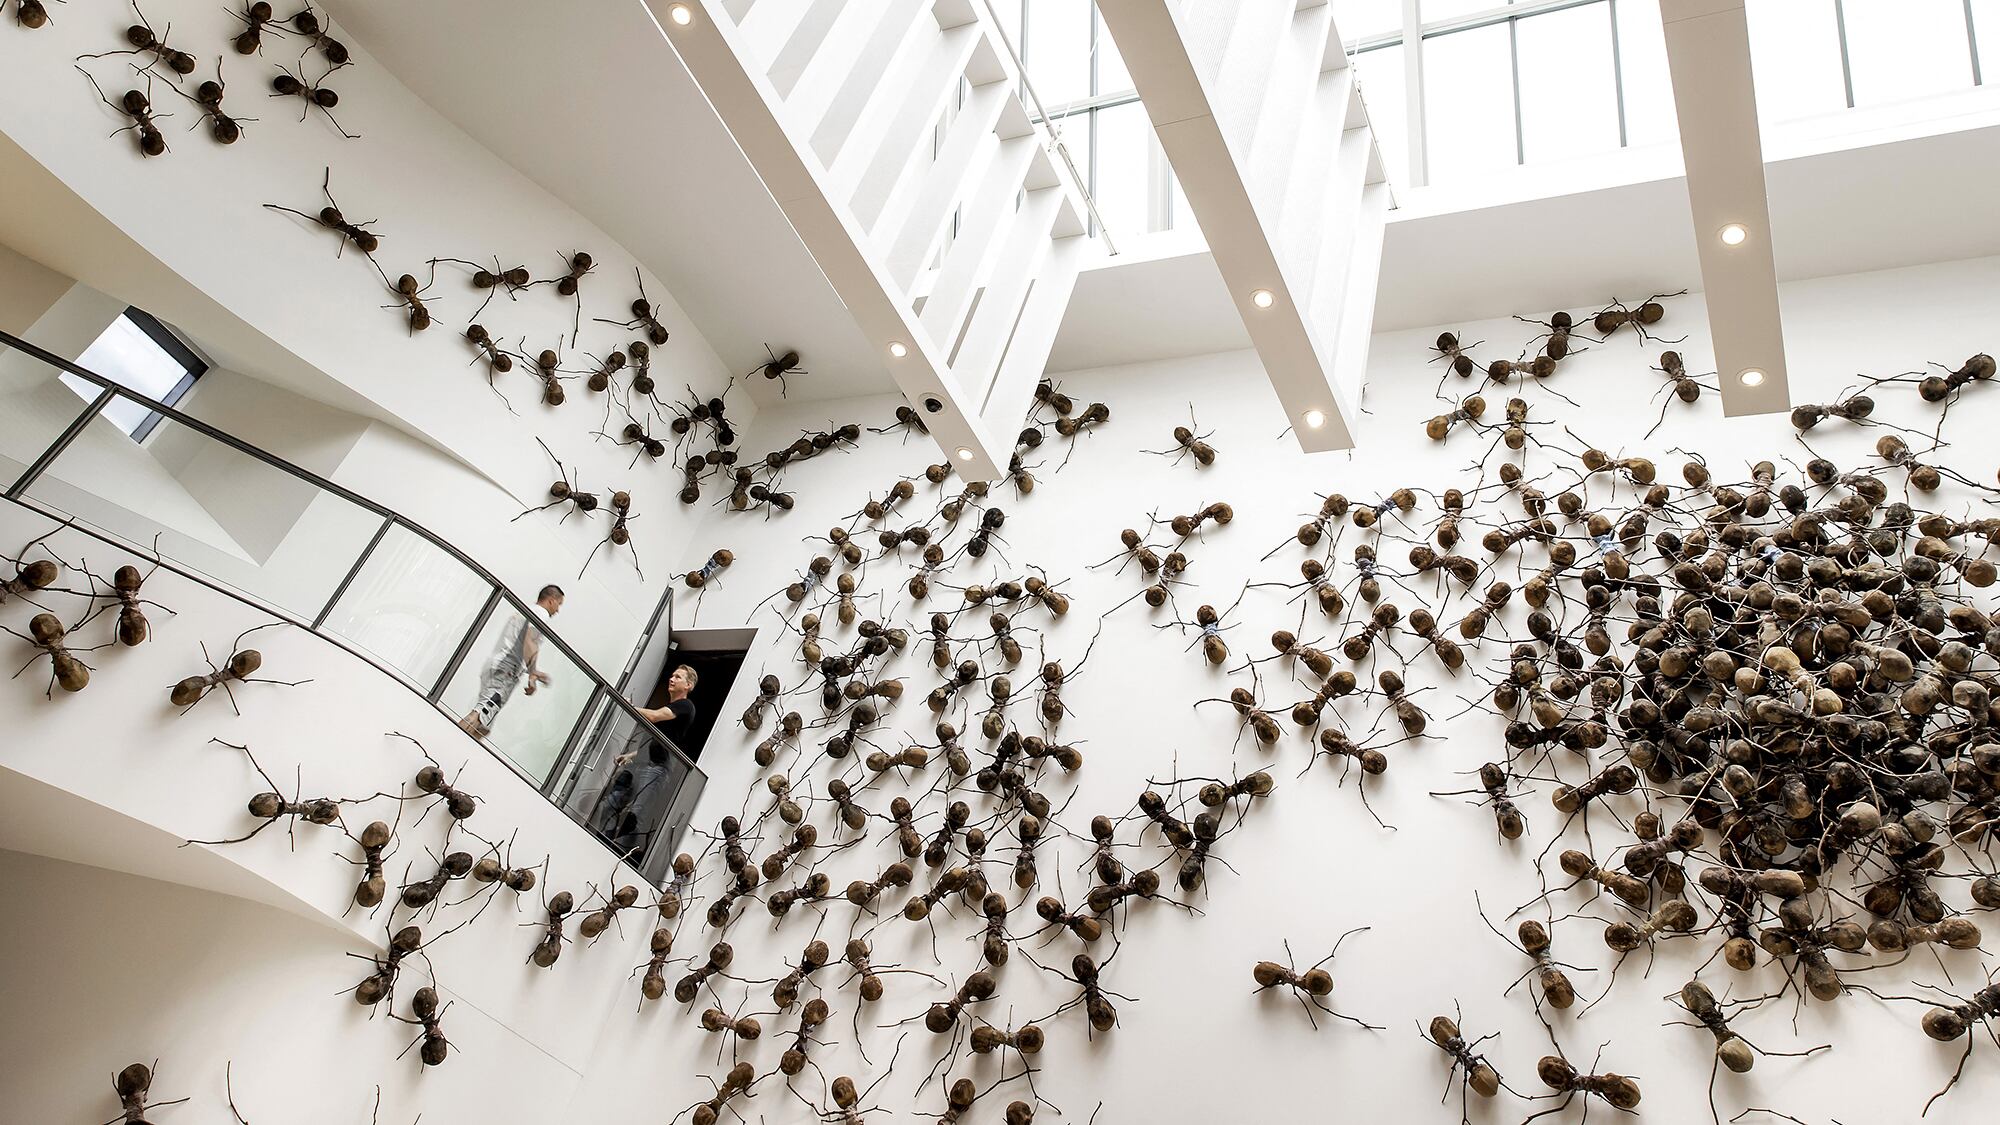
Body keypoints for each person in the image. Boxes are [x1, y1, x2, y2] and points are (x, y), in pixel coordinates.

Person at [597, 664, 698, 860]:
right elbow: (656, 742)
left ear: (688, 685)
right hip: (644, 765)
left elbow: (654, 716)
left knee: (635, 814)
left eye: (678, 677)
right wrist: (632, 755)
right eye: (672, 675)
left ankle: (621, 856)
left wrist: (629, 707)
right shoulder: (673, 711)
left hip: (657, 769)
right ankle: (603, 840)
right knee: (611, 803)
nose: (672, 678)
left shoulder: (685, 706)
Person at [459, 584, 563, 739]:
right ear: (551, 600)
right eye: (559, 604)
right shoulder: (541, 614)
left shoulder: (525, 611)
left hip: (501, 667)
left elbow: (523, 645)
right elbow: (529, 641)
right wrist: (533, 672)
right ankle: (441, 746)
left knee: (483, 727)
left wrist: (533, 674)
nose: (558, 610)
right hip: (505, 670)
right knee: (479, 715)